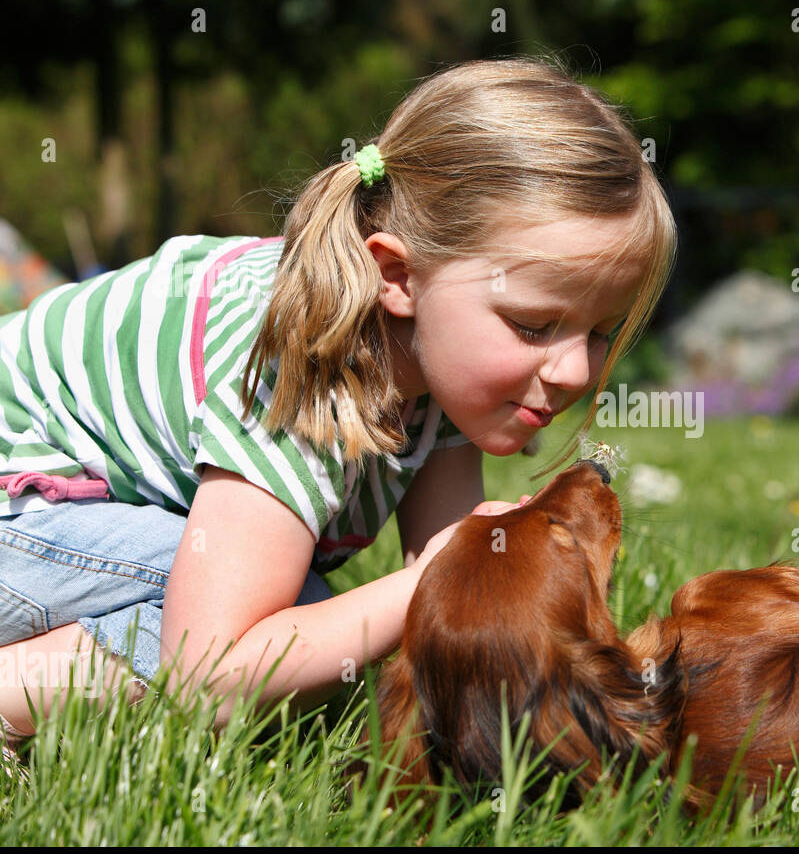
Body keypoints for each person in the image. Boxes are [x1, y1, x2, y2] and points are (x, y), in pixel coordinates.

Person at [0, 56, 677, 754]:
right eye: (533, 325)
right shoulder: (305, 359)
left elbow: (448, 603)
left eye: (600, 333)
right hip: (16, 509)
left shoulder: (446, 370)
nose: (573, 369)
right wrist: (418, 586)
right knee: (299, 627)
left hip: (60, 531)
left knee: (326, 636)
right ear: (397, 276)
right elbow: (210, 677)